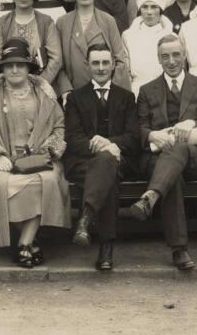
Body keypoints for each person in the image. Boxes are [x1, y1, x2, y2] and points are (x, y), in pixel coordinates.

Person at [0, 38, 70, 268]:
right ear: (3, 70)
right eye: (9, 66)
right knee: (0, 184)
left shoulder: (44, 94)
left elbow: (59, 126)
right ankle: (31, 242)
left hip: (40, 159)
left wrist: (46, 153)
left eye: (20, 65)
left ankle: (24, 243)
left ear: (28, 68)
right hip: (4, 160)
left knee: (47, 180)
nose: (14, 70)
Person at [129, 34, 197, 270]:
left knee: (179, 146)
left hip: (195, 158)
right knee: (173, 177)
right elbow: (137, 128)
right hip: (156, 158)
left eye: (176, 55)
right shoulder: (147, 90)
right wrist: (151, 135)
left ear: (184, 55)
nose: (171, 61)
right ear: (158, 60)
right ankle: (179, 249)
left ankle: (150, 195)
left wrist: (193, 124)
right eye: (165, 56)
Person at [64, 44, 138, 270]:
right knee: (108, 173)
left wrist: (112, 144)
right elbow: (72, 138)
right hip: (83, 162)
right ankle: (106, 249)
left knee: (108, 167)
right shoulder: (75, 98)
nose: (101, 67)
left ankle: (86, 220)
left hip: (118, 160)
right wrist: (99, 147)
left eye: (106, 62)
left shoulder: (126, 97)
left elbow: (133, 137)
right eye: (95, 63)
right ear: (87, 66)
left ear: (114, 65)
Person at [55, 0, 130, 100]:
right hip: (75, 96)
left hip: (104, 95)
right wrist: (66, 91)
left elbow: (120, 60)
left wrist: (112, 93)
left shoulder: (107, 21)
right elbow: (58, 64)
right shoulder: (62, 23)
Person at [0, 0, 63, 88]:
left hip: (40, 85)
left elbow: (56, 60)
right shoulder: (1, 23)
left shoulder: (46, 22)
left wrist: (39, 84)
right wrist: (6, 85)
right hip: (6, 85)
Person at [122, 0, 174, 95]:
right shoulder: (128, 36)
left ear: (160, 10)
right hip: (137, 90)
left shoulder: (171, 37)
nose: (149, 12)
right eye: (145, 7)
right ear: (140, 9)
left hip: (164, 90)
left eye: (154, 7)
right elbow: (125, 68)